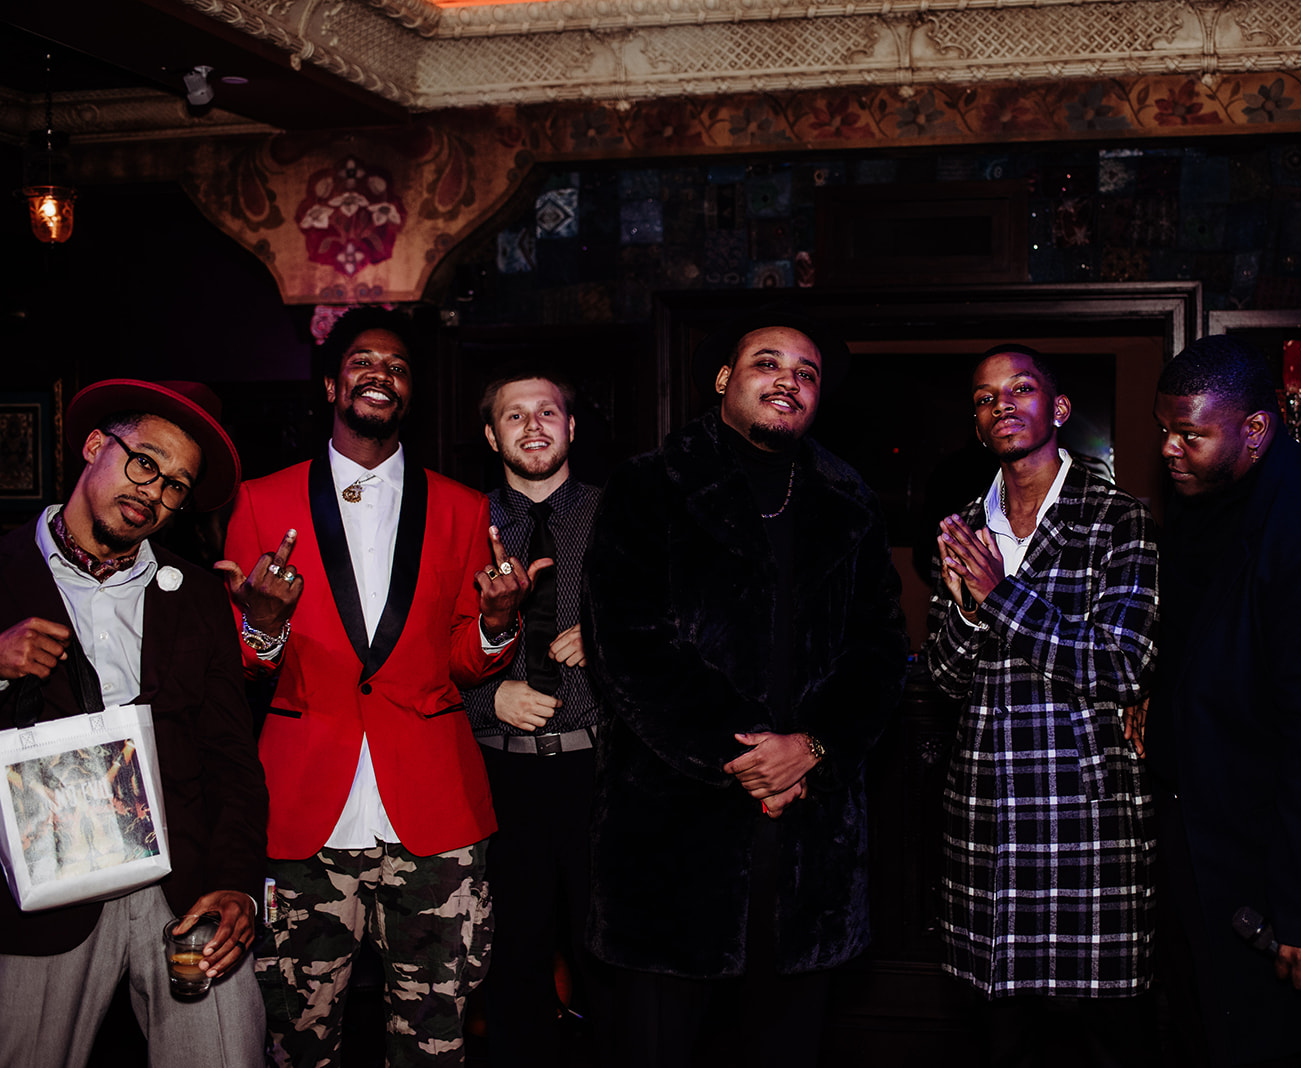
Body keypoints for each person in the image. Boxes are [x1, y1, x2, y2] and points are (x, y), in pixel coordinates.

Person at [582, 306, 907, 1067]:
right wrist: (749, 753)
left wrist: (813, 747)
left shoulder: (848, 498)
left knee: (789, 1045)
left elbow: (879, 648)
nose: (788, 381)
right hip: (673, 832)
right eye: (768, 363)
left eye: (806, 373)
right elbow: (628, 644)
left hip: (810, 840)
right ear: (724, 379)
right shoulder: (649, 484)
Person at [217, 307, 535, 1066]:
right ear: (332, 383)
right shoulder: (262, 501)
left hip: (434, 815)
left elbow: (464, 661)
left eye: (396, 367)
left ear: (410, 392)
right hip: (303, 814)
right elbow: (240, 662)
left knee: (435, 1044)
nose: (380, 375)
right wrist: (261, 626)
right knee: (294, 1043)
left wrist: (495, 625)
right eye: (363, 361)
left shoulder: (463, 508)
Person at [0, 379, 267, 1066]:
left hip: (179, 885)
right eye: (144, 462)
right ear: (95, 446)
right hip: (39, 894)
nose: (154, 490)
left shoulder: (200, 594)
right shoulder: (3, 570)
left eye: (175, 485)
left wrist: (236, 881)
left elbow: (233, 759)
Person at [1144, 335, 1301, 1065]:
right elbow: (1199, 638)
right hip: (1202, 832)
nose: (1171, 449)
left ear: (1255, 430)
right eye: (1164, 432)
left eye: (1192, 434)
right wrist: (1157, 694)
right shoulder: (1205, 501)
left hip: (1264, 859)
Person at [927, 344, 1159, 1065]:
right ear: (978, 424)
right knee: (1001, 1042)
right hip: (986, 823)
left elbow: (1123, 664)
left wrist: (999, 597)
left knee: (1093, 1041)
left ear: (1056, 409)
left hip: (1083, 821)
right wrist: (965, 615)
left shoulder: (1121, 519)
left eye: (1020, 389)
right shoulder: (964, 525)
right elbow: (945, 676)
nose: (1002, 404)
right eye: (985, 397)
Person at [461, 366, 609, 1063]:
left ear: (570, 426)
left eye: (546, 412)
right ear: (492, 435)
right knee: (510, 960)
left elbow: (680, 632)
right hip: (499, 776)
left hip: (603, 773)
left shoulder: (620, 516)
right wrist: (486, 699)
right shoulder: (460, 524)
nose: (533, 427)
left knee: (609, 959)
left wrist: (608, 650)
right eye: (514, 416)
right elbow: (415, 652)